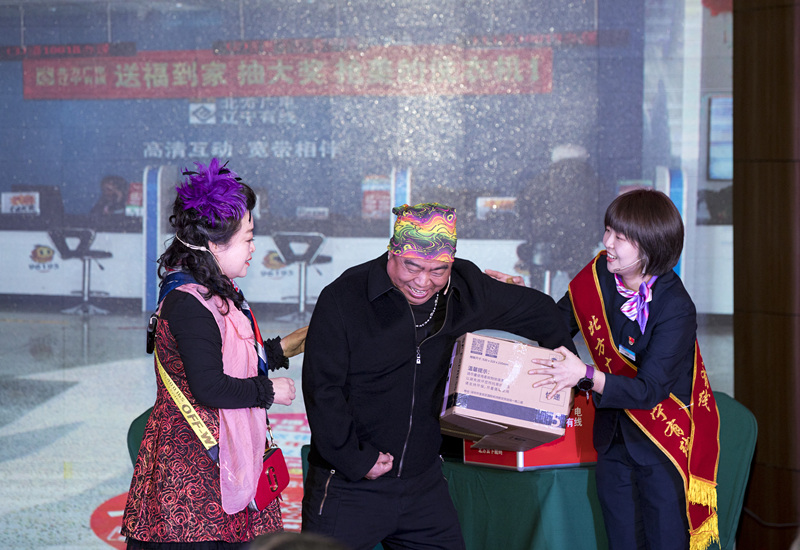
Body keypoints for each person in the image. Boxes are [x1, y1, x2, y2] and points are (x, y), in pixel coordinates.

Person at [301, 202, 576, 550]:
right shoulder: (344, 297)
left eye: (438, 270)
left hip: (424, 484)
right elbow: (322, 389)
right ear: (392, 251)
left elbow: (540, 311)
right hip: (349, 483)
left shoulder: (467, 289)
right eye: (412, 266)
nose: (422, 281)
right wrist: (355, 459)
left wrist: (565, 378)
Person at [488, 188, 720, 550]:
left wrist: (585, 375)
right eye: (608, 230)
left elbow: (649, 390)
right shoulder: (599, 273)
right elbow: (557, 323)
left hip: (662, 446)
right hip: (613, 439)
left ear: (650, 247)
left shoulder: (676, 308)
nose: (607, 242)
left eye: (620, 237)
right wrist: (516, 297)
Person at [122, 158, 307, 549]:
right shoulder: (189, 303)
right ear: (214, 244)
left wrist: (282, 349)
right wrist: (269, 391)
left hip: (224, 459)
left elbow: (224, 356)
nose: (254, 248)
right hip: (193, 475)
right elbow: (208, 385)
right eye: (248, 238)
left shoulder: (215, 291)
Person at [515, 144, 604, 291]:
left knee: (538, 288)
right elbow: (607, 213)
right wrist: (593, 236)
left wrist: (532, 236)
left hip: (545, 245)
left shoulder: (540, 181)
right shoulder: (595, 183)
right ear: (584, 159)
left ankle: (537, 296)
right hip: (580, 246)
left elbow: (522, 208)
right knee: (585, 289)